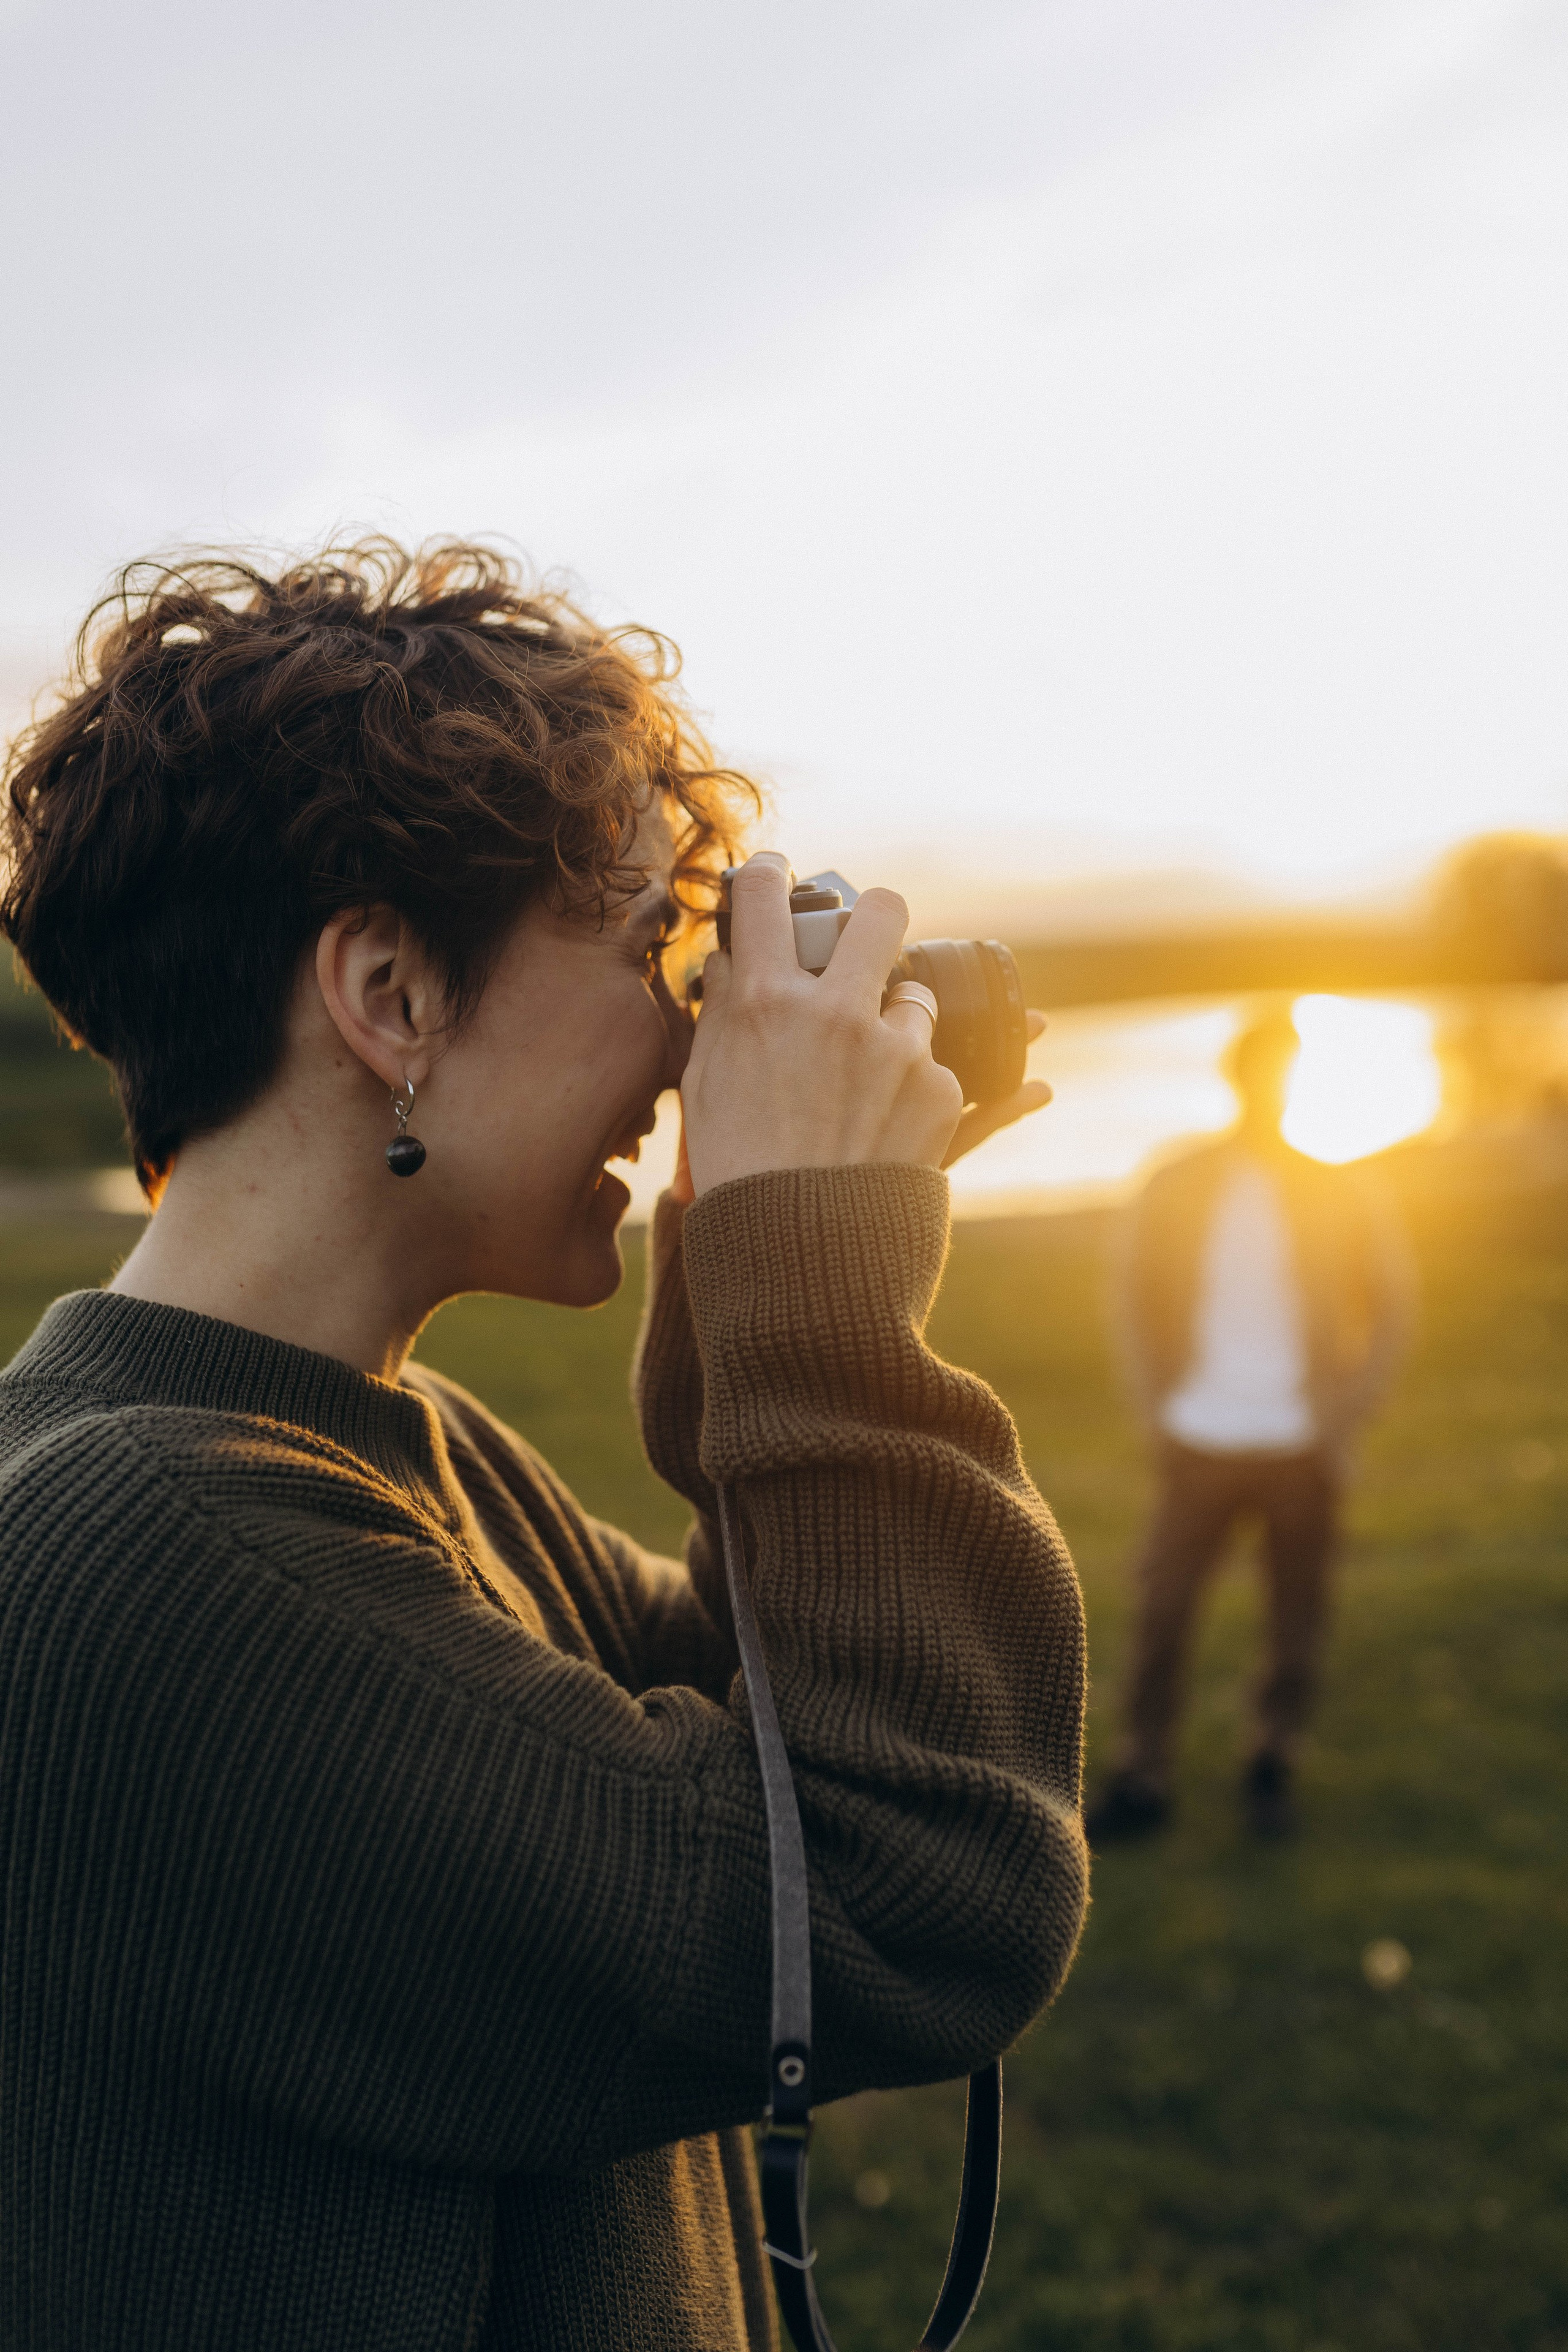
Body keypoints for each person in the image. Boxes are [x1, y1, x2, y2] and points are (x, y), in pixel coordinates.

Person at [0, 540, 1088, 2352]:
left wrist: (765, 1230)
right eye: (652, 944)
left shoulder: (375, 1446)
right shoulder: (156, 1557)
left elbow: (784, 1714)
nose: (688, 1034)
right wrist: (804, 1253)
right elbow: (914, 1888)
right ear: (392, 997)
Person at [1087, 1009, 1414, 1843]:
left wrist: (1344, 1414)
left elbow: (1390, 1306)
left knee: (1295, 1617)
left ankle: (1272, 1764)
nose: (1269, 1086)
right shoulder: (1178, 1181)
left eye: (1283, 1071)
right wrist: (1157, 1406)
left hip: (1302, 1444)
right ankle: (1143, 1773)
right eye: (1258, 1070)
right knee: (1163, 1613)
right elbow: (1134, 1296)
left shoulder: (1338, 1187)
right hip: (1198, 1436)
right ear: (1236, 1076)